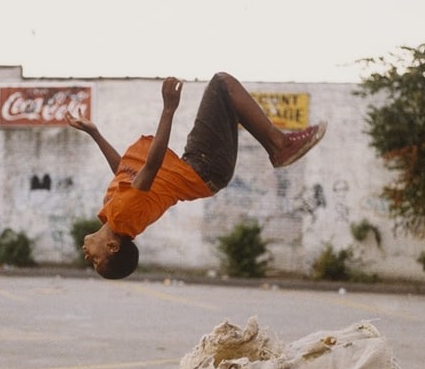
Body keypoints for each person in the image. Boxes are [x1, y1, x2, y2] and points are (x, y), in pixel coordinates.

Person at [66, 71, 326, 279]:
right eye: (96, 261)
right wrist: (169, 109)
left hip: (201, 167)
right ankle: (279, 146)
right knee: (222, 84)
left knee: (225, 95)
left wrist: (95, 134)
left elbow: (123, 169)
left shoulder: (113, 211)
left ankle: (277, 146)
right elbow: (151, 165)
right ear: (112, 247)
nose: (88, 257)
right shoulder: (123, 217)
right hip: (205, 168)